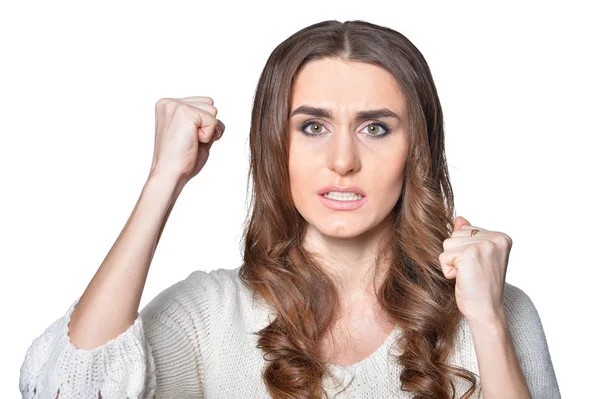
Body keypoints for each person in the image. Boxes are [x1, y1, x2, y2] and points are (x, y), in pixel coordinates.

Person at [19, 19, 560, 399]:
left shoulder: (497, 309)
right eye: (312, 127)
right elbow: (69, 387)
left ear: (416, 148)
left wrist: (487, 321)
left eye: (375, 128)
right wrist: (164, 178)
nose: (343, 160)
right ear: (275, 146)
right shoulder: (211, 314)